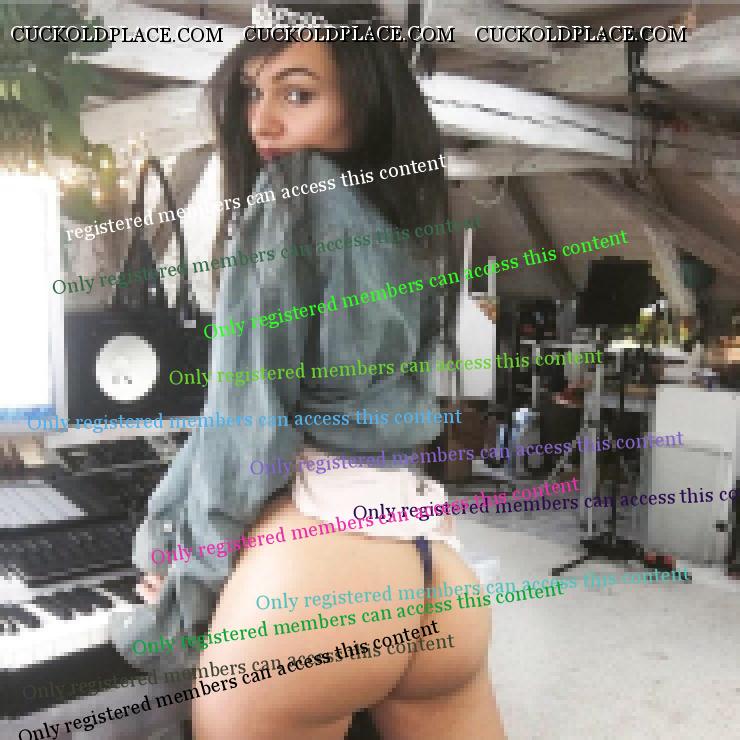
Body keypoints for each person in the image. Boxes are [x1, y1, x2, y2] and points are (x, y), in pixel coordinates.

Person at [115, 4, 505, 738]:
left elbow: (247, 427)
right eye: (253, 93)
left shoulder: (292, 194)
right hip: (434, 565)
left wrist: (182, 601)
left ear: (365, 99)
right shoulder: (403, 215)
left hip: (314, 576)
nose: (263, 122)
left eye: (298, 94)